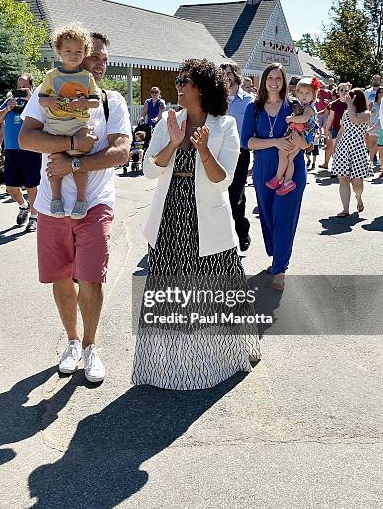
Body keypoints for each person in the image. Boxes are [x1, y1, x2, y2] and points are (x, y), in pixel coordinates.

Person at [131, 58, 261, 391]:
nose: (178, 86)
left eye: (183, 81)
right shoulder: (168, 120)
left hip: (209, 221)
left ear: (201, 88)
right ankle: (174, 359)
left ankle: (223, 355)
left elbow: (223, 180)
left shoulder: (225, 125)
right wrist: (173, 143)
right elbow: (149, 169)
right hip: (169, 216)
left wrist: (203, 150)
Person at [19, 33, 131, 383]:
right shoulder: (47, 92)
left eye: (103, 58)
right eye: (95, 56)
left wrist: (75, 164)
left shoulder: (110, 101)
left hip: (94, 203)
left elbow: (122, 151)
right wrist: (69, 143)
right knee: (61, 277)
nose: (100, 63)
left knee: (91, 279)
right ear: (75, 56)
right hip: (52, 208)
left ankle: (90, 346)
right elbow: (26, 138)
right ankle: (71, 342)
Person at [241, 62, 308, 291]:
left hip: (293, 169)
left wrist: (300, 142)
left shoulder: (294, 107)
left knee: (284, 217)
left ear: (284, 81)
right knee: (268, 216)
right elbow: (246, 141)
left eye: (279, 78)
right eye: (270, 77)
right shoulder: (254, 107)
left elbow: (308, 139)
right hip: (263, 169)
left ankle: (280, 269)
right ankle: (276, 256)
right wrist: (275, 142)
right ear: (263, 81)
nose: (274, 82)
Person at [38, 25, 100, 219]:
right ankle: (56, 199)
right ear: (59, 52)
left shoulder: (87, 77)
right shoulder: (52, 76)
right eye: (68, 51)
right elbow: (41, 98)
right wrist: (50, 101)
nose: (73, 55)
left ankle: (81, 199)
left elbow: (96, 101)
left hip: (77, 127)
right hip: (55, 126)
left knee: (78, 164)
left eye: (79, 51)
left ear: (85, 53)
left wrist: (84, 102)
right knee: (55, 164)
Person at [0, 74, 41, 232]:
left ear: (31, 87)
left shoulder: (35, 102)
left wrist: (30, 99)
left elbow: (45, 117)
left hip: (31, 150)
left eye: (24, 87)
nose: (20, 90)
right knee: (11, 187)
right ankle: (24, 206)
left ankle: (34, 218)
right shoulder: (9, 102)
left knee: (32, 187)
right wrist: (7, 108)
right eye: (18, 87)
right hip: (12, 151)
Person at [221, 60, 253, 251]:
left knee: (235, 196)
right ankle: (222, 241)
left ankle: (242, 232)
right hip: (217, 153)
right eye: (223, 74)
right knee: (217, 196)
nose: (227, 78)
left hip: (240, 154)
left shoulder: (249, 101)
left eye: (229, 74)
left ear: (236, 76)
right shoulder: (215, 100)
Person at [266, 76, 318, 191]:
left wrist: (290, 119)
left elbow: (304, 119)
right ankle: (287, 181)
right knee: (289, 158)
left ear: (313, 95)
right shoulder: (303, 106)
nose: (304, 96)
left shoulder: (309, 108)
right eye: (301, 93)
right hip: (301, 135)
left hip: (300, 136)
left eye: (307, 93)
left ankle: (278, 178)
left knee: (282, 152)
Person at [331, 88, 372, 216]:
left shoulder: (366, 113)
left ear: (357, 99)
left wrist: (349, 105)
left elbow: (355, 120)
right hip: (343, 148)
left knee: (357, 183)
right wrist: (335, 147)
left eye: (350, 97)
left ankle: (358, 198)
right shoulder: (346, 112)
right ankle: (345, 209)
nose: (348, 98)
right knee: (343, 179)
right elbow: (341, 130)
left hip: (358, 150)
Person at [319, 82, 349, 170]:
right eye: (342, 90)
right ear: (338, 91)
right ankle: (336, 168)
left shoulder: (351, 103)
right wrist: (327, 130)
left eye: (346, 90)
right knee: (336, 148)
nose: (344, 92)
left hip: (348, 130)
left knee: (346, 150)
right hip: (336, 129)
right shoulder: (334, 104)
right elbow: (331, 117)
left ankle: (344, 168)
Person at [366, 86, 382, 168]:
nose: (381, 94)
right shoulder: (372, 103)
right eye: (379, 92)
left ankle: (380, 161)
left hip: (381, 126)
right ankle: (371, 161)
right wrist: (368, 124)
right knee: (372, 145)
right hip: (373, 125)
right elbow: (367, 114)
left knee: (380, 145)